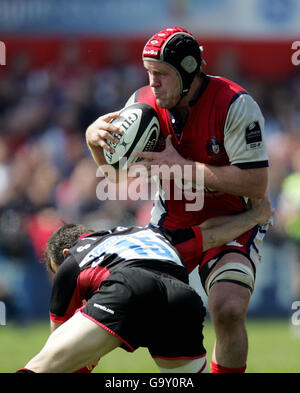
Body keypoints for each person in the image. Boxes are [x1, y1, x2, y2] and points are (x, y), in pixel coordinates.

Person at [85, 27, 270, 373]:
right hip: (169, 227)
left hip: (233, 224)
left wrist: (184, 168)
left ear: (188, 71)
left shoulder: (234, 104)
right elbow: (116, 175)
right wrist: (94, 141)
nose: (152, 83)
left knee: (229, 311)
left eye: (162, 74)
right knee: (117, 311)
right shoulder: (142, 104)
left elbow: (257, 183)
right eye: (149, 73)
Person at [16, 198, 272, 373]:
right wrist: (254, 216)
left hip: (129, 288)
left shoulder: (75, 257)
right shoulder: (148, 233)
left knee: (41, 367)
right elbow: (212, 235)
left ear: (64, 252)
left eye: (54, 271)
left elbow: (59, 347)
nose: (55, 278)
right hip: (182, 299)